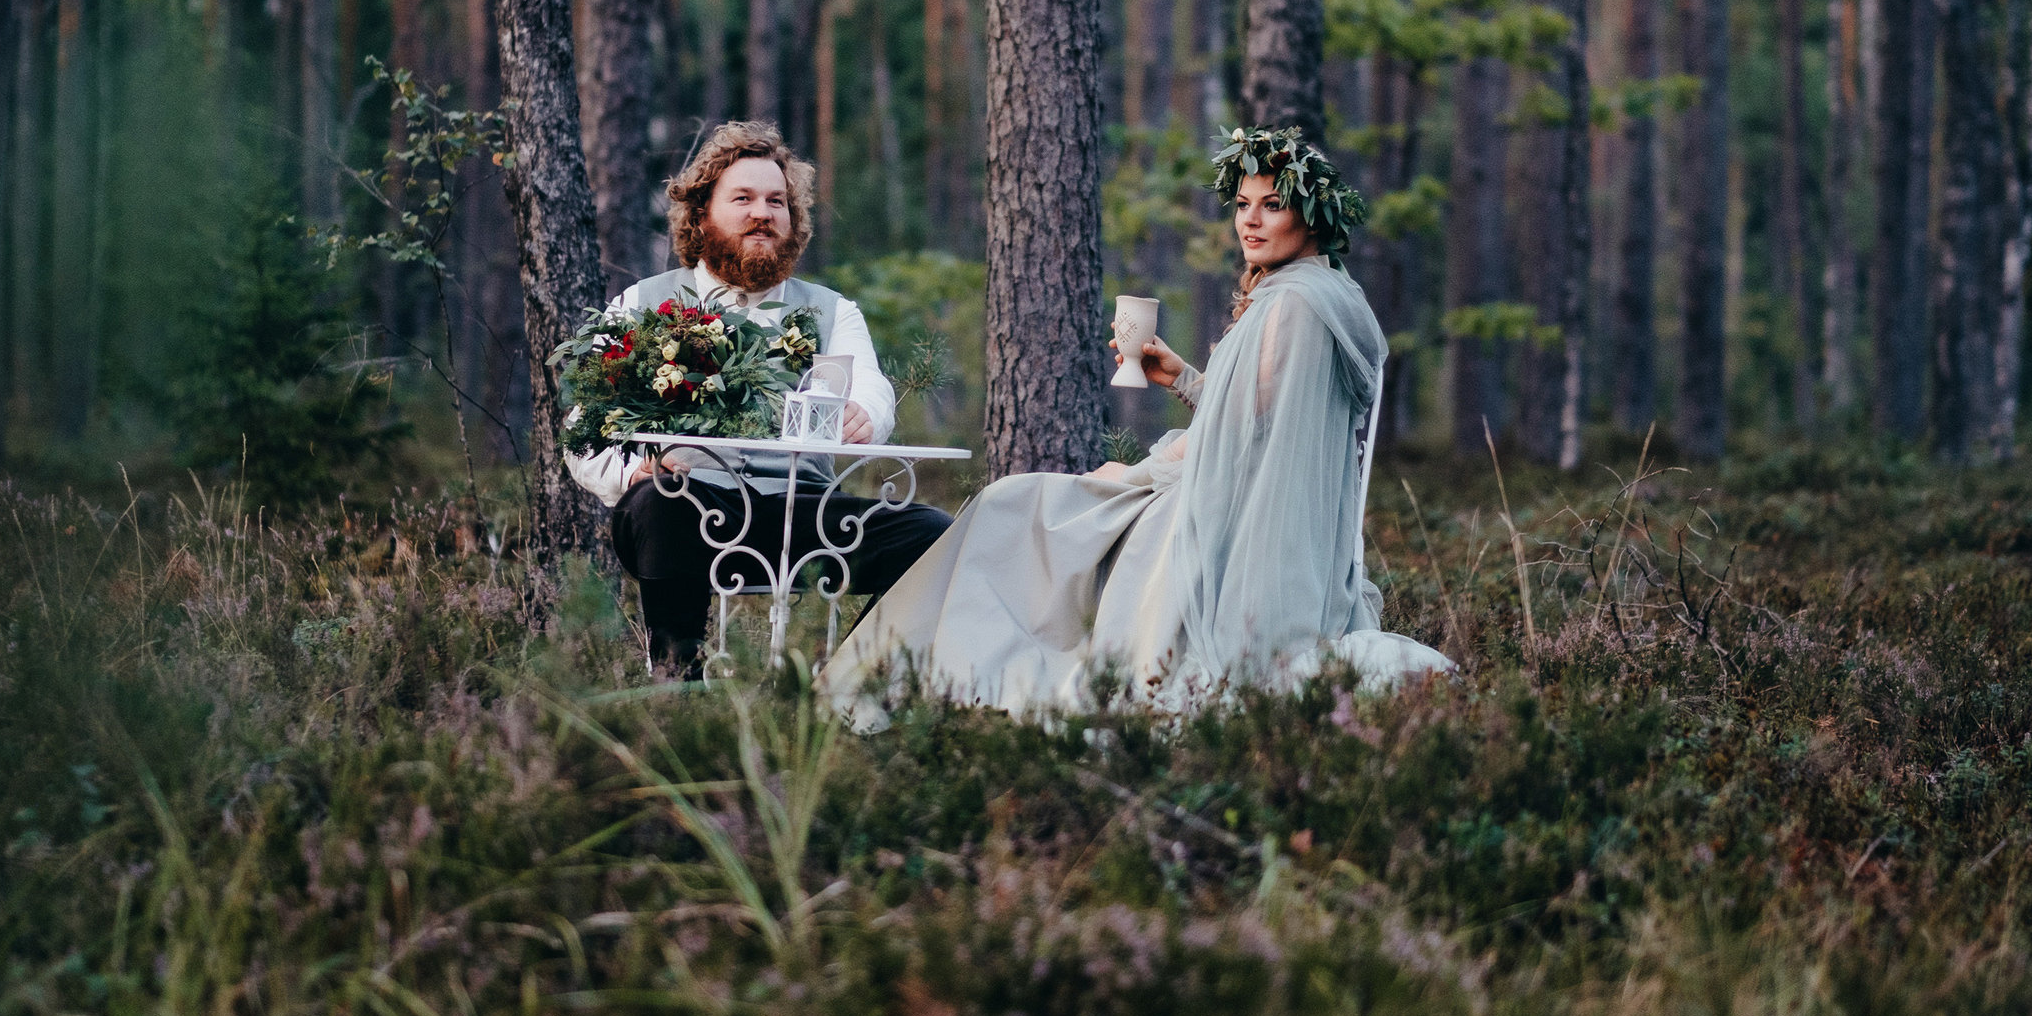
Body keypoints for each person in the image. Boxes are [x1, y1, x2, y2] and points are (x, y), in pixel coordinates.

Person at [824, 127, 1451, 728]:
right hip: (1264, 519)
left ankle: (925, 673)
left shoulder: (1290, 305)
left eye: (1273, 205)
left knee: (1009, 504)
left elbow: (1240, 450)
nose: (1250, 221)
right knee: (1031, 505)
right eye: (1242, 204)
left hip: (1228, 529)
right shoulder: (1328, 295)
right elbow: (1264, 427)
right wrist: (1184, 379)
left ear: (1310, 216)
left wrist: (1135, 473)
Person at [570, 122, 953, 673]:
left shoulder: (831, 310)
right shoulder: (643, 303)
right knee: (659, 502)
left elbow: (869, 383)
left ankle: (851, 683)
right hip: (688, 511)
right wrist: (633, 474)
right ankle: (677, 683)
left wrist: (865, 412)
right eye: (743, 198)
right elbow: (585, 423)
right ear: (702, 213)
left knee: (933, 535)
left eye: (777, 201)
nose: (763, 213)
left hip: (807, 517)